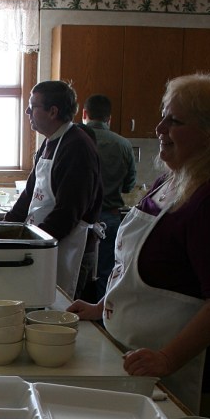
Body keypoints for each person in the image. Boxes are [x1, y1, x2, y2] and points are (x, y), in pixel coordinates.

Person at [67, 73, 210, 419]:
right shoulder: (174, 180)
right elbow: (139, 266)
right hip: (161, 356)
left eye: (175, 121)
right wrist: (103, 308)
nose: (160, 129)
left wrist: (169, 358)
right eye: (164, 117)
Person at [5, 80, 102, 296]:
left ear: (52, 112)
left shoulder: (77, 147)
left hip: (68, 248)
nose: (27, 111)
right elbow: (29, 195)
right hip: (47, 244)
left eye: (33, 106)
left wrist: (33, 244)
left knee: (60, 311)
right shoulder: (50, 142)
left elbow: (68, 213)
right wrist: (3, 231)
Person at [81, 94, 136, 303]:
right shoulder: (123, 144)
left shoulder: (77, 141)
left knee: (77, 274)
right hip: (111, 217)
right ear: (109, 118)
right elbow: (130, 185)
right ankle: (104, 321)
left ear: (84, 114)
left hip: (82, 220)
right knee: (107, 273)